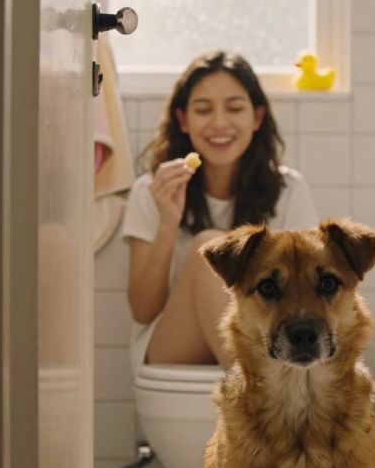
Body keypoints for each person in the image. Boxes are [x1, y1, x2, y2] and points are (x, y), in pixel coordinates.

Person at [120, 51, 318, 371]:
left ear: (257, 117)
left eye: (235, 108)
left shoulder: (289, 190)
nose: (219, 123)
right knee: (209, 246)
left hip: (264, 336)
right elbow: (143, 310)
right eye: (203, 110)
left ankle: (261, 384)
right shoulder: (152, 190)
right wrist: (168, 224)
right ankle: (265, 389)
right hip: (173, 344)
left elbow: (302, 293)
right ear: (183, 120)